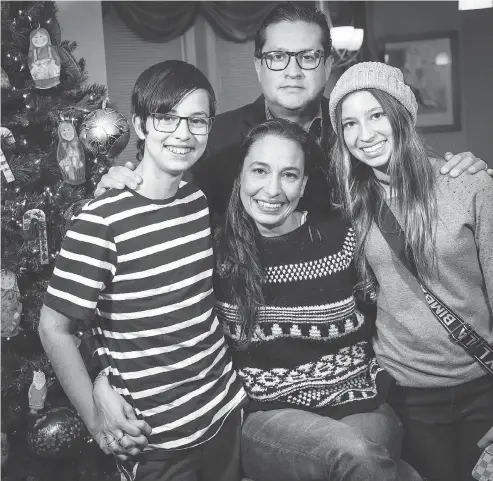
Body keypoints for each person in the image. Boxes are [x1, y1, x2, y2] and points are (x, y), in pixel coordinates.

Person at [95, 117, 423, 481]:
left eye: (289, 175)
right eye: (260, 171)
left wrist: (454, 173)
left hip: (358, 397)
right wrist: (100, 378)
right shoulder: (211, 249)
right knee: (356, 454)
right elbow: (128, 308)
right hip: (266, 412)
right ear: (241, 177)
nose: (272, 189)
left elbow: (402, 300)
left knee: (372, 452)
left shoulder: (342, 235)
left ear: (304, 184)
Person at [39, 60, 246, 481]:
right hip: (154, 439)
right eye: (167, 118)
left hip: (224, 410)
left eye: (197, 120)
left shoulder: (197, 201)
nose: (183, 133)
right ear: (140, 125)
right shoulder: (100, 221)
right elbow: (53, 329)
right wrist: (97, 421)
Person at [93, 2, 490, 214]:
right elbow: (168, 204)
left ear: (329, 64)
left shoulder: (357, 135)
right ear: (258, 65)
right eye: (278, 57)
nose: (293, 71)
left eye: (309, 57)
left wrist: (461, 171)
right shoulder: (214, 138)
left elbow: (413, 170)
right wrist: (123, 185)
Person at [328, 61, 493, 481]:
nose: (364, 135)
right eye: (349, 124)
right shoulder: (353, 207)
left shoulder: (469, 185)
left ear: (401, 114)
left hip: (482, 384)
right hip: (407, 393)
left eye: (376, 115)